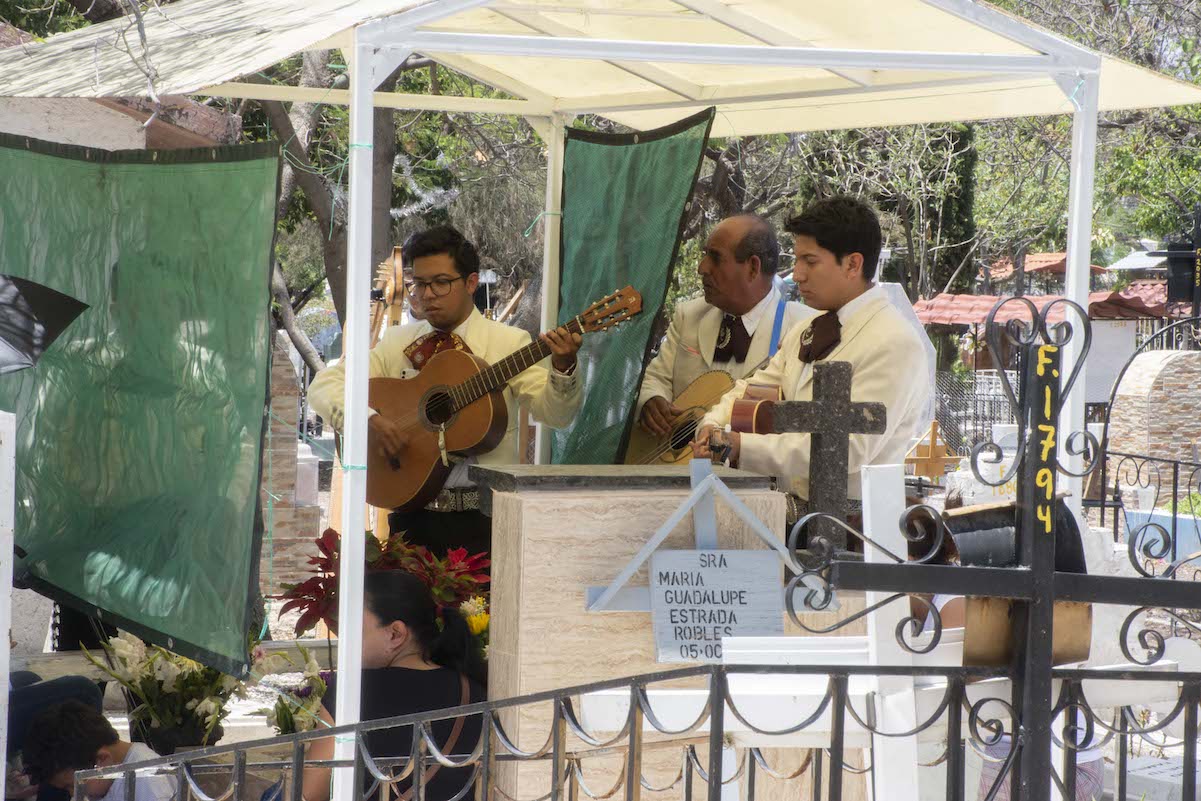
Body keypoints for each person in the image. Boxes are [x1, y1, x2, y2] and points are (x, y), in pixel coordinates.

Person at [308, 225, 583, 557]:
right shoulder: (398, 343)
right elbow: (324, 385)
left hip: (486, 523)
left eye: (440, 282)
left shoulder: (509, 343)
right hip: (410, 517)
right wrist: (368, 419)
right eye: (419, 283)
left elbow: (556, 415)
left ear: (471, 282)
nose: (427, 295)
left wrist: (563, 367)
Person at [693, 196, 931, 525]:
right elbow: (752, 389)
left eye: (810, 261)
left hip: (858, 528)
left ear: (853, 264)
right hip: (793, 519)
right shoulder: (806, 329)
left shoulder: (894, 341)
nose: (798, 274)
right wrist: (712, 425)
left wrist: (740, 447)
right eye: (797, 260)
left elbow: (848, 450)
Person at [302, 571, 486, 801]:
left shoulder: (351, 691)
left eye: (354, 628)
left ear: (395, 634)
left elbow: (310, 792)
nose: (346, 639)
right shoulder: (472, 688)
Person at [636, 214, 816, 438]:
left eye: (715, 258)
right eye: (704, 255)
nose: (702, 268)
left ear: (753, 268)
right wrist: (651, 399)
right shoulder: (689, 315)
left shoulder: (805, 329)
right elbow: (655, 377)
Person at [21, 700, 176, 801]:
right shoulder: (108, 777)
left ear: (102, 760)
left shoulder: (150, 785)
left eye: (73, 785)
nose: (73, 794)